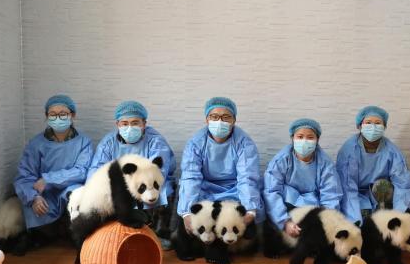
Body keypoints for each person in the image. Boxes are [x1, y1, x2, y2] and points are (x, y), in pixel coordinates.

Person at [13, 94, 93, 254]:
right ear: (46, 116)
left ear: (73, 115)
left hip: (69, 189)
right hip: (44, 194)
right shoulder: (36, 144)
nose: (58, 118)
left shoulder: (84, 142)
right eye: (53, 114)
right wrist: (33, 198)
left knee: (75, 195)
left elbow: (81, 170)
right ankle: (36, 235)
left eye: (63, 114)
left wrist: (48, 179)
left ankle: (76, 237)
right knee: (30, 197)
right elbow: (25, 176)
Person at [87, 100, 176, 239]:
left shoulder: (156, 141)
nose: (129, 128)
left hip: (147, 186)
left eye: (135, 123)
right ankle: (115, 232)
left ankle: (158, 234)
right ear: (117, 124)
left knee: (164, 192)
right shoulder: (108, 143)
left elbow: (158, 172)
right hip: (118, 188)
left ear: (144, 124)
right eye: (124, 123)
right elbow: (96, 171)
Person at [177, 97, 263, 241]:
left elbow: (247, 177)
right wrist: (186, 212)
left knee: (245, 230)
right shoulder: (196, 143)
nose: (220, 121)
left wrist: (250, 210)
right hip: (205, 188)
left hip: (235, 190)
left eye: (226, 117)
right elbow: (190, 176)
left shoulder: (244, 143)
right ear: (207, 120)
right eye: (214, 117)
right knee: (190, 225)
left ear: (234, 120)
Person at [262, 118, 342, 257]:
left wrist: (325, 223)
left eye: (310, 137)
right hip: (286, 204)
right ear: (292, 138)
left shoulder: (325, 164)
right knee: (272, 227)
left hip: (312, 207)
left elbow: (331, 195)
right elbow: (271, 191)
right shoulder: (281, 160)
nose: (304, 141)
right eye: (300, 137)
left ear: (317, 139)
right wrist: (284, 222)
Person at [336, 105, 410, 225]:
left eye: (378, 123)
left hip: (380, 194)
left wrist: (400, 214)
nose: (373, 127)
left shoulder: (391, 151)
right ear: (359, 126)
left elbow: (403, 182)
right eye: (368, 122)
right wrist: (354, 221)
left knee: (382, 185)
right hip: (356, 194)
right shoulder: (349, 150)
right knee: (358, 218)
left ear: (384, 126)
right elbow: (347, 186)